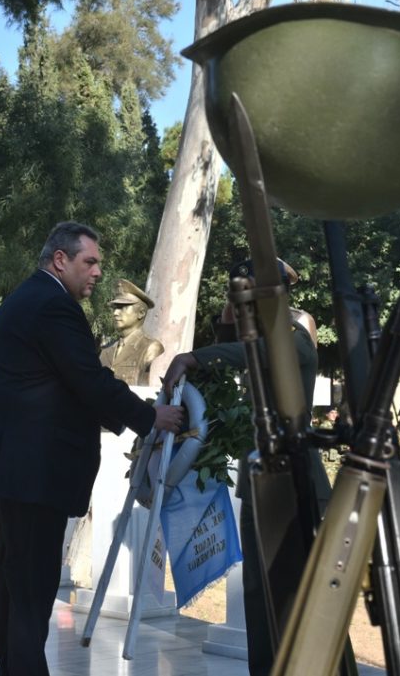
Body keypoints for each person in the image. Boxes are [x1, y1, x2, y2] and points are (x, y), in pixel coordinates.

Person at [0, 221, 183, 676]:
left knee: (16, 589)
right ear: (60, 260)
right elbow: (87, 378)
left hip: (10, 471)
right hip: (31, 474)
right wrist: (149, 417)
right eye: (90, 262)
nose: (97, 272)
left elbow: (61, 383)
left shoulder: (27, 298)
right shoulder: (54, 305)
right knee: (31, 593)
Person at [161, 257, 332, 676]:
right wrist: (225, 319)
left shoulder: (295, 333)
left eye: (246, 297)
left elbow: (257, 353)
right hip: (259, 479)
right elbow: (233, 357)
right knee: (258, 590)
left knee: (300, 591)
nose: (241, 308)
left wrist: (192, 357)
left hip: (296, 481)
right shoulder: (253, 337)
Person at [98, 279, 164, 386]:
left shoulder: (151, 348)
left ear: (141, 313)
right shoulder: (106, 350)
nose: (115, 313)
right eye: (115, 307)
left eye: (122, 307)